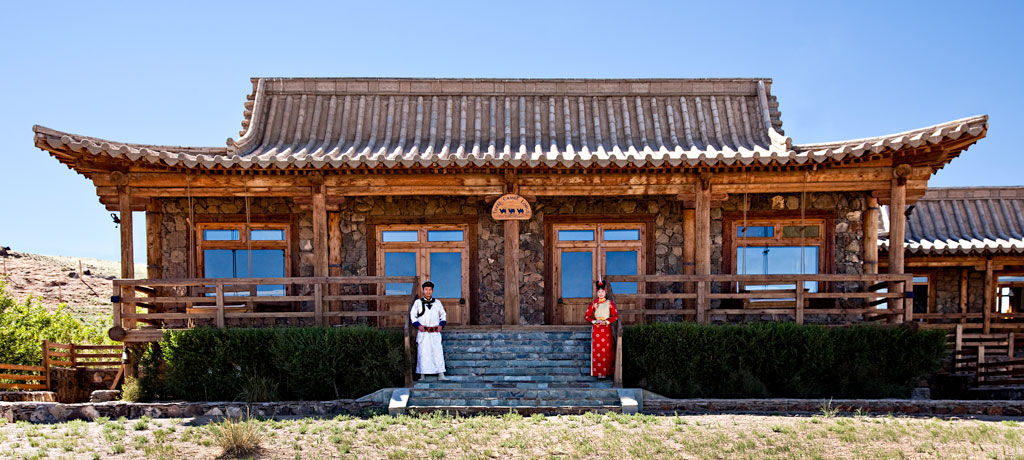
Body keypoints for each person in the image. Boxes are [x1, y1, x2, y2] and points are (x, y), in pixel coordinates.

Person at [410, 280, 448, 380]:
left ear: (432, 291)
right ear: (423, 290)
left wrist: (441, 325)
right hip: (424, 332)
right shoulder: (418, 303)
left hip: (435, 332)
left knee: (437, 352)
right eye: (426, 289)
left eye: (430, 290)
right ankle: (422, 374)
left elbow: (443, 315)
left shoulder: (437, 302)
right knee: (423, 353)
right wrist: (418, 325)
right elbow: (413, 315)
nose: (428, 291)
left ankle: (441, 374)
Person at [584, 280, 618, 379]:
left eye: (602, 292)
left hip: (606, 329)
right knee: (597, 351)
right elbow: (586, 316)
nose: (601, 293)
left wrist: (607, 321)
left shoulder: (610, 303)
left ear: (605, 292)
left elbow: (615, 316)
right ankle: (598, 373)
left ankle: (606, 372)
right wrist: (594, 321)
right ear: (596, 293)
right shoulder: (593, 304)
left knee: (607, 351)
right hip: (597, 329)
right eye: (599, 292)